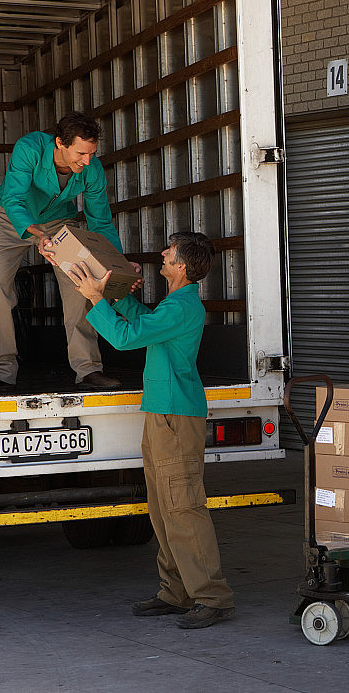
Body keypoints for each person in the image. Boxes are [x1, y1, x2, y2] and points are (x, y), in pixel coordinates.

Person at [68, 231, 235, 630]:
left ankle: (212, 597)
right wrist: (120, 297)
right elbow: (145, 324)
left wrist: (96, 298)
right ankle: (176, 592)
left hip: (175, 416)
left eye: (169, 252)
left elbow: (127, 338)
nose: (162, 253)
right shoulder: (174, 304)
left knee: (183, 507)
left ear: (181, 266)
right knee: (162, 508)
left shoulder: (182, 306)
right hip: (162, 413)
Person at [0, 111, 140, 394]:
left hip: (60, 222)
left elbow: (100, 223)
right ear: (60, 142)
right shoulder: (29, 148)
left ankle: (88, 369)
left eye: (92, 153)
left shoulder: (92, 169)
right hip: (13, 219)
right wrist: (35, 233)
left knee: (80, 286)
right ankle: (1, 370)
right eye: (81, 154)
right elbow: (13, 197)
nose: (87, 161)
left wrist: (117, 264)